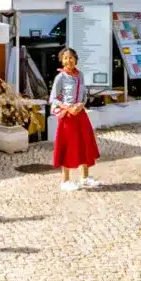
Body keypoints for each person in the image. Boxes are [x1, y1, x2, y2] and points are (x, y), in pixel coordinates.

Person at [51, 47, 101, 191]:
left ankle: (85, 177)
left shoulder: (80, 75)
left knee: (85, 143)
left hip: (80, 114)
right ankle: (65, 180)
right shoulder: (60, 77)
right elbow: (53, 98)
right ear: (62, 60)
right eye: (65, 58)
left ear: (76, 59)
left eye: (71, 57)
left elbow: (84, 94)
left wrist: (81, 104)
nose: (68, 60)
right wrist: (68, 107)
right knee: (68, 145)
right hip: (68, 116)